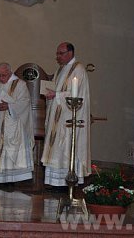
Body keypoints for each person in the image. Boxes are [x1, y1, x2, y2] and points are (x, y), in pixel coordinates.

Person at [42, 42, 91, 188]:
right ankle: (56, 182)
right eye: (57, 54)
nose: (58, 57)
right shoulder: (60, 70)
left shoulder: (79, 69)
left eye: (60, 53)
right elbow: (58, 90)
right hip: (57, 117)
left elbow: (77, 94)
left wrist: (56, 95)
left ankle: (69, 182)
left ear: (70, 53)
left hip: (70, 117)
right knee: (57, 148)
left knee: (68, 147)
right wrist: (50, 93)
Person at [0, 62, 33, 183]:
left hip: (12, 124)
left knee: (10, 150)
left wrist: (9, 106)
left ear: (10, 73)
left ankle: (13, 178)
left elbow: (25, 103)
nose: (1, 78)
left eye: (4, 75)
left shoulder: (20, 85)